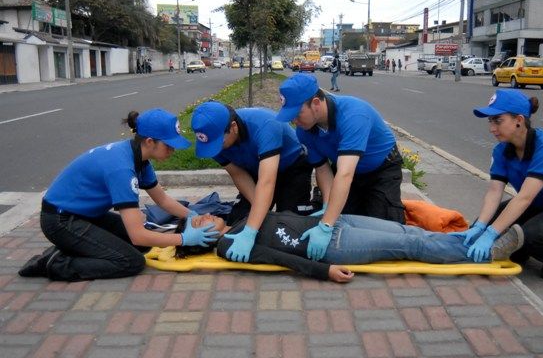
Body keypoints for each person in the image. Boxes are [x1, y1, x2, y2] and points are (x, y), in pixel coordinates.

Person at [18, 109, 219, 281]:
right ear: (150, 141)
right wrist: (184, 239)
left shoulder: (139, 158)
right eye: (169, 145)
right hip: (60, 221)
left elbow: (163, 200)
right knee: (130, 261)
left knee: (141, 247)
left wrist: (192, 215)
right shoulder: (122, 169)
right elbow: (138, 235)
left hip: (82, 215)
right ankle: (55, 264)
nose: (173, 150)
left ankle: (77, 247)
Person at [453, 89, 543, 280]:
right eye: (490, 121)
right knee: (487, 229)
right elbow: (494, 192)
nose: (492, 128)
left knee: (528, 235)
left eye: (498, 120)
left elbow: (524, 197)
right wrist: (479, 226)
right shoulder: (502, 150)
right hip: (535, 207)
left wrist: (491, 234)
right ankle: (521, 249)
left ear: (519, 120)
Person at [177, 211, 524, 283]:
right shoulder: (231, 245)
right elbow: (278, 257)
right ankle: (487, 252)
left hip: (334, 222)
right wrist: (324, 271)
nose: (204, 215)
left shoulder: (238, 221)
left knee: (407, 229)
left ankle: (472, 239)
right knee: (409, 243)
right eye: (199, 222)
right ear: (202, 239)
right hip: (334, 247)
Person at [276, 73, 405, 261]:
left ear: (316, 103)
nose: (294, 121)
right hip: (346, 170)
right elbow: (322, 168)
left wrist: (326, 225)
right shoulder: (305, 131)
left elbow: (345, 175)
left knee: (386, 232)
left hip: (380, 171)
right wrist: (328, 205)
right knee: (343, 225)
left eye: (297, 114)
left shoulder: (354, 114)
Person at [191, 101, 313, 263]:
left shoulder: (265, 125)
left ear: (233, 127)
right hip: (255, 168)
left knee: (292, 225)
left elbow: (267, 181)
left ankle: (316, 204)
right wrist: (259, 210)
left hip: (291, 167)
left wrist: (251, 231)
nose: (216, 150)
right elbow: (238, 174)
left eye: (218, 143)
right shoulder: (213, 140)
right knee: (238, 222)